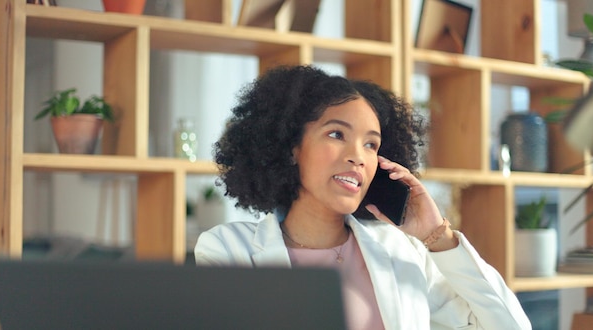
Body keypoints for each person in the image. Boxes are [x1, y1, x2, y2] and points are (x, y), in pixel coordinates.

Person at [195, 65, 531, 329]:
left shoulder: (404, 252)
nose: (358, 156)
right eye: (337, 134)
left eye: (371, 144)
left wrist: (439, 236)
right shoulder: (228, 250)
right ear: (291, 147)